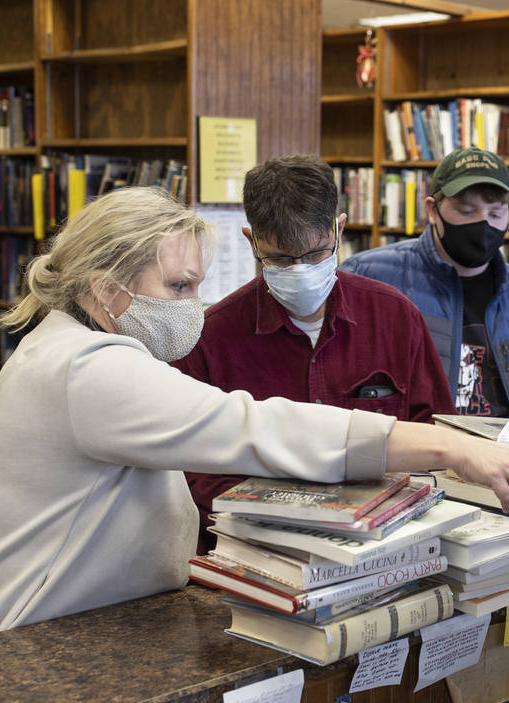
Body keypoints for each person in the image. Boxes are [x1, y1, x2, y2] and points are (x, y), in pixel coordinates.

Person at [0, 187, 509, 644]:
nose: (195, 304)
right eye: (179, 287)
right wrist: (452, 448)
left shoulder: (69, 347)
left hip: (67, 629)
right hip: (10, 643)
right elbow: (251, 426)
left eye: (198, 284)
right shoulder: (88, 368)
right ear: (107, 289)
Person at [173, 155, 455, 549]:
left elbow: (437, 434)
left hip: (382, 543)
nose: (300, 270)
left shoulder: (394, 317)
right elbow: (192, 471)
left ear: (339, 230)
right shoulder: (208, 338)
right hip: (259, 549)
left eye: (315, 254)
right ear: (251, 241)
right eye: (280, 259)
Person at [343, 147, 509, 416]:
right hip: (415, 441)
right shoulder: (366, 278)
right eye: (466, 211)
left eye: (496, 214)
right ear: (432, 210)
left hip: (508, 443)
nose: (483, 224)